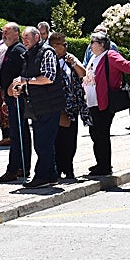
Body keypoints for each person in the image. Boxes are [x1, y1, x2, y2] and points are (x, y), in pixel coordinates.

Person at [9, 26, 62, 188]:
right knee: (43, 142)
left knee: (42, 143)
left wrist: (25, 80)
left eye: (27, 38)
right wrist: (20, 88)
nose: (24, 41)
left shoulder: (46, 52)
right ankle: (51, 175)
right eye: (23, 38)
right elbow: (29, 78)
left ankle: (42, 176)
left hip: (49, 105)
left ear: (37, 38)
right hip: (37, 105)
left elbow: (48, 77)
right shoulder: (29, 54)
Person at [83, 32, 130, 177]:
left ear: (101, 44)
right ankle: (100, 163)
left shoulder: (110, 55)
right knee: (95, 134)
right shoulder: (94, 57)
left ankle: (105, 167)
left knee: (101, 134)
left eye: (92, 42)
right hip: (93, 102)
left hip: (105, 103)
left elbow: (128, 67)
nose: (90, 45)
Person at [49, 32, 88, 180]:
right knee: (57, 139)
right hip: (56, 106)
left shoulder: (69, 58)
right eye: (63, 44)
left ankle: (69, 168)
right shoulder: (49, 59)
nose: (66, 46)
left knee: (70, 140)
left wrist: (74, 63)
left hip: (72, 106)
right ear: (54, 46)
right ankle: (57, 168)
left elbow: (82, 73)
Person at [0, 22, 31, 184]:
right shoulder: (11, 49)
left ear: (16, 34)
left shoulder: (19, 50)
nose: (4, 35)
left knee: (18, 134)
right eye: (3, 32)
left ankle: (17, 168)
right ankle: (19, 167)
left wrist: (13, 89)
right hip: (11, 98)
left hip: (18, 98)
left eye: (7, 33)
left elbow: (25, 71)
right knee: (18, 133)